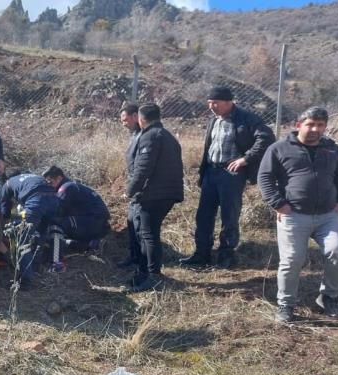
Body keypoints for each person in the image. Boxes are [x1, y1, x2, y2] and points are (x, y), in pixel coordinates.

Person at [258, 107, 338, 322]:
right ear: (298, 125)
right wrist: (279, 204)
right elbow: (265, 177)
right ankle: (286, 304)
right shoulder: (279, 148)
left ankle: (328, 297)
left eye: (320, 125)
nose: (315, 129)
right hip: (293, 215)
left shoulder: (332, 149)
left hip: (328, 215)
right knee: (292, 260)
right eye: (310, 124)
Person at [181, 86, 275, 269]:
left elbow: (266, 137)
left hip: (231, 175)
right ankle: (202, 254)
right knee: (203, 216)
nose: (211, 106)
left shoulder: (246, 119)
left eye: (215, 102)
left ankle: (226, 256)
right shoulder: (214, 120)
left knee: (229, 216)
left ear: (229, 102)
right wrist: (203, 173)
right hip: (211, 173)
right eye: (209, 102)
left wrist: (246, 159)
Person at [125, 103, 184, 292]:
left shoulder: (150, 136)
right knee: (148, 233)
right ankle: (145, 272)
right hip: (166, 192)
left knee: (148, 235)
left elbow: (143, 168)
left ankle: (153, 276)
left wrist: (130, 190)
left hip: (154, 194)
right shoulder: (167, 136)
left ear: (141, 119)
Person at [0, 171, 60, 287]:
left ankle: (25, 281)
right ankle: (36, 266)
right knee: (42, 234)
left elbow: (4, 209)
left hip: (36, 202)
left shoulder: (7, 183)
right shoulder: (33, 177)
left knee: (22, 241)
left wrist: (5, 226)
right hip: (53, 200)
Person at [42, 166, 111, 252]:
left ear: (59, 178)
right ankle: (91, 242)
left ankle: (56, 257)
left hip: (94, 221)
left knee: (55, 223)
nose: (49, 185)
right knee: (62, 225)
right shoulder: (71, 184)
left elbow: (57, 211)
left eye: (50, 182)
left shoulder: (66, 188)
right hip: (97, 222)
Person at [118, 104, 143, 269]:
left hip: (142, 189)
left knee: (139, 225)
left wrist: (133, 188)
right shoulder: (135, 134)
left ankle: (141, 261)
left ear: (136, 116)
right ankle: (134, 257)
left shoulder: (144, 135)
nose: (123, 124)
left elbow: (143, 167)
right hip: (135, 186)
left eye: (125, 120)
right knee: (131, 222)